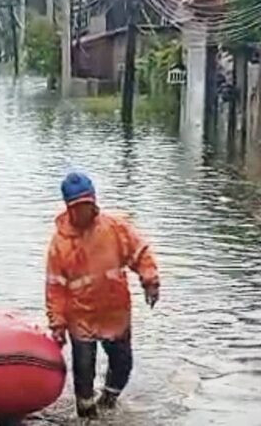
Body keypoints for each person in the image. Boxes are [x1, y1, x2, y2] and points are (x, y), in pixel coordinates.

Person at [45, 172, 160, 419]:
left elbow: (140, 253)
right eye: (78, 207)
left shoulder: (114, 228)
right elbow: (55, 287)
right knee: (83, 372)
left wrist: (150, 281)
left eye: (88, 205)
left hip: (114, 312)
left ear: (95, 202)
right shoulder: (60, 244)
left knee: (123, 365)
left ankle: (109, 400)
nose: (84, 212)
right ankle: (87, 414)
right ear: (69, 208)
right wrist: (57, 324)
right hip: (80, 317)